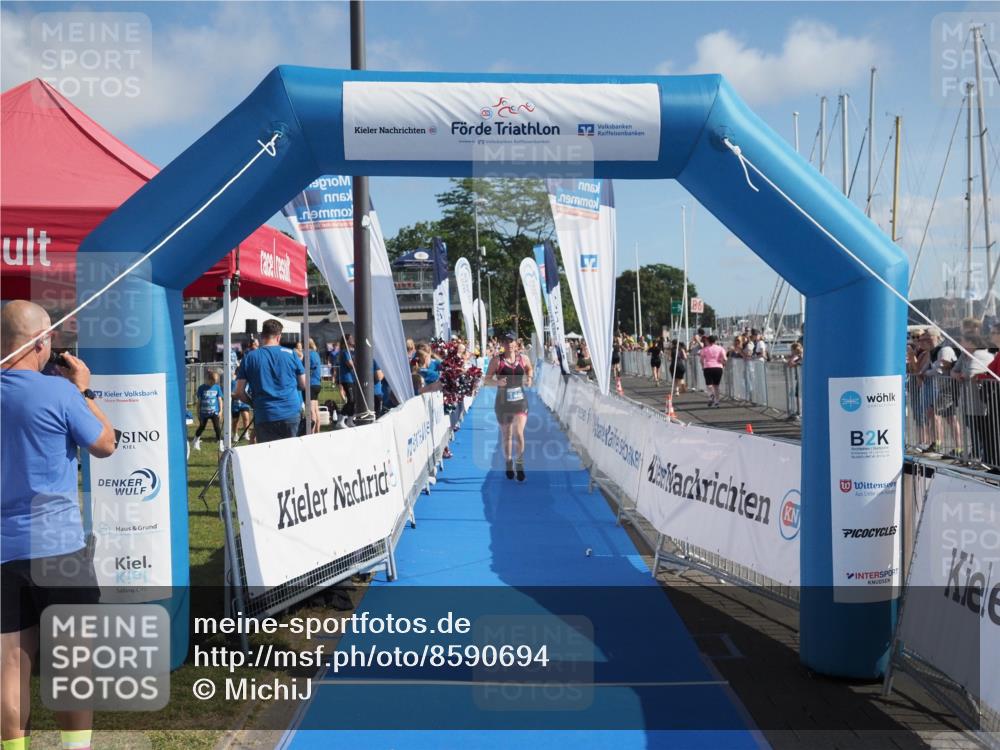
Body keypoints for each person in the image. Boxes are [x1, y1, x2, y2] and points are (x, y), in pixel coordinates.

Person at [1, 301, 117, 750]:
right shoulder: (60, 393)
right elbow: (106, 443)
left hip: (4, 552)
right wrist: (85, 391)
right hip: (60, 548)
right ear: (40, 340)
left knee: (11, 664)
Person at [235, 319, 306, 442]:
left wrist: (253, 403)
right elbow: (304, 384)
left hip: (265, 413)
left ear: (262, 336)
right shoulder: (291, 354)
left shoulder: (250, 357)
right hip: (290, 412)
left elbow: (239, 392)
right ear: (279, 337)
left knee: (268, 457)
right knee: (292, 456)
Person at [485, 334, 533, 481]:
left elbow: (529, 369)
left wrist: (529, 378)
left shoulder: (523, 358)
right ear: (502, 344)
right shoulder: (496, 360)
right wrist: (496, 383)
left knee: (519, 433)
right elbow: (486, 379)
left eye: (511, 341)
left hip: (520, 401)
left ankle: (519, 463)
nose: (509, 344)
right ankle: (508, 462)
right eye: (506, 342)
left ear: (516, 343)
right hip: (503, 403)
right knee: (507, 435)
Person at [192, 370, 224, 451]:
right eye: (212, 382)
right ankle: (195, 441)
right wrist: (198, 412)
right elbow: (199, 401)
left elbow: (220, 400)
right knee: (202, 427)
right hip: (203, 412)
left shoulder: (217, 388)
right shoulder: (201, 388)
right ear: (208, 379)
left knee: (217, 427)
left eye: (215, 382)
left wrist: (220, 411)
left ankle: (220, 443)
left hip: (214, 412)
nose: (213, 384)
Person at [699, 334, 727, 407]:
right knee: (716, 386)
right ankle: (717, 402)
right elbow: (724, 359)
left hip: (708, 367)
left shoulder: (705, 349)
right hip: (718, 367)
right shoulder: (720, 348)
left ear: (708, 341)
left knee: (709, 384)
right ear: (715, 341)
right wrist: (723, 364)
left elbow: (701, 360)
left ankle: (711, 395)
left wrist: (702, 366)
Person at [335, 335, 356, 417]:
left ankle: (350, 420)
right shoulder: (345, 352)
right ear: (346, 341)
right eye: (351, 338)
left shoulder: (350, 352)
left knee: (353, 400)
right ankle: (341, 419)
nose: (353, 340)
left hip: (352, 378)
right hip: (347, 379)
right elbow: (351, 365)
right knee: (351, 400)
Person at [307, 339, 323, 434]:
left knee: (311, 410)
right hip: (317, 384)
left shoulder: (308, 354)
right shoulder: (316, 354)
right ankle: (317, 431)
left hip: (311, 384)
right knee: (316, 409)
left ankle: (311, 432)